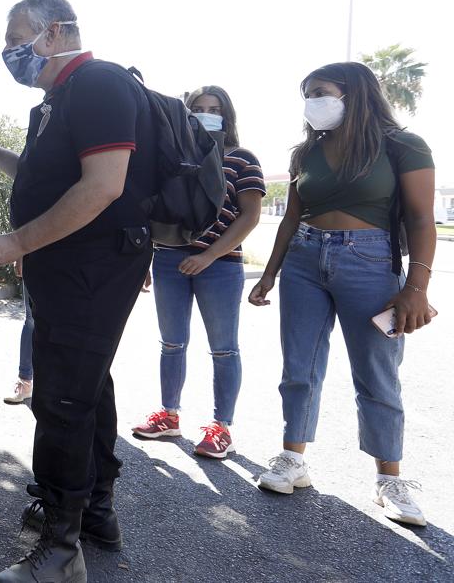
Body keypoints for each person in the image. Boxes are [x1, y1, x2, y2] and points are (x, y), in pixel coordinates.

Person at [0, 0, 157, 583]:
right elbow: (44, 178)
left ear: (52, 34)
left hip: (93, 264)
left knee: (62, 397)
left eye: (15, 41)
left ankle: (60, 546)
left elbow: (102, 186)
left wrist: (17, 243)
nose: (9, 54)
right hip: (71, 267)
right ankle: (96, 512)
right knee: (85, 385)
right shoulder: (55, 102)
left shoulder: (99, 83)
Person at [248, 62, 435, 527]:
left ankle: (388, 479)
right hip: (304, 261)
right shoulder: (304, 154)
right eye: (307, 94)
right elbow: (291, 218)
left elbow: (420, 218)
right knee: (299, 366)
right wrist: (269, 273)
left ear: (355, 94)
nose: (313, 102)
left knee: (376, 373)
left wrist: (417, 287)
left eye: (322, 92)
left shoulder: (402, 145)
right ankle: (293, 459)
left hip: (370, 263)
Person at [132, 86, 264, 459]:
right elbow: (152, 212)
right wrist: (145, 261)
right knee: (171, 343)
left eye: (214, 108)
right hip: (170, 261)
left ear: (227, 115)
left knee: (224, 349)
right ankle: (168, 415)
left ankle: (221, 427)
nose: (206, 114)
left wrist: (208, 257)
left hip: (219, 266)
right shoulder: (171, 158)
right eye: (198, 108)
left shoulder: (242, 159)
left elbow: (250, 216)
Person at [4, 262, 35, 405]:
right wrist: (20, 256)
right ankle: (25, 383)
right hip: (36, 256)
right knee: (31, 321)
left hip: (72, 257)